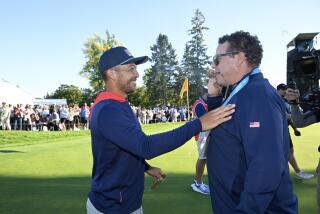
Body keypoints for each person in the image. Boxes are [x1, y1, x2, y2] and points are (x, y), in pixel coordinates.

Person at [87, 46, 235, 214]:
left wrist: (145, 167)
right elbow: (145, 146)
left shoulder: (116, 104)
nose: (137, 74)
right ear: (112, 73)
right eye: (131, 69)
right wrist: (198, 124)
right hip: (113, 207)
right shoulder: (109, 110)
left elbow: (124, 145)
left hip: (124, 202)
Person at [206, 31, 298, 213]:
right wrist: (214, 96)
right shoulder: (244, 92)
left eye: (217, 59)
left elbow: (266, 168)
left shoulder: (257, 96)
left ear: (239, 58)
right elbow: (222, 125)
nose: (213, 67)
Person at [277, 83, 314, 180]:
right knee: (288, 151)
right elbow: (284, 115)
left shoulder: (285, 101)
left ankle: (281, 171)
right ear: (280, 89)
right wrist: (292, 116)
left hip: (285, 129)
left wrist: (295, 129)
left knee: (290, 150)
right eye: (285, 90)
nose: (286, 93)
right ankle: (298, 172)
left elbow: (289, 118)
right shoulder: (274, 100)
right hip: (278, 130)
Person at [190, 94, 210, 195]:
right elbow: (205, 120)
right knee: (202, 158)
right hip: (202, 135)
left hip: (206, 134)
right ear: (204, 94)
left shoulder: (204, 103)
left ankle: (198, 182)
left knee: (204, 158)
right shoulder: (199, 104)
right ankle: (197, 184)